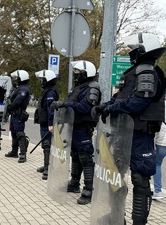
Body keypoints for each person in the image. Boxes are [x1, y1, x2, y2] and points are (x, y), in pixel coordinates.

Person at [92, 33, 166, 225]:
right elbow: (120, 98)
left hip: (140, 135)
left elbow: (138, 102)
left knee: (140, 180)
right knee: (113, 176)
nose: (130, 52)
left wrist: (112, 107)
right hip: (123, 134)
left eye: (133, 49)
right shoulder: (134, 73)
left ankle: (138, 222)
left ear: (143, 50)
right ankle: (116, 216)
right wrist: (104, 105)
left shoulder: (148, 73)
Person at [51, 60, 101, 205]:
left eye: (78, 72)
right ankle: (74, 183)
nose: (76, 74)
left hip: (83, 127)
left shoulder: (93, 88)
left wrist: (65, 104)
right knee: (75, 156)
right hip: (73, 126)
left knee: (85, 157)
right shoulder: (78, 87)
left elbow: (85, 107)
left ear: (87, 73)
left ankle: (89, 190)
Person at [34, 69, 59, 180]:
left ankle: (48, 170)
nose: (41, 81)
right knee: (45, 145)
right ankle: (46, 165)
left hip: (47, 124)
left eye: (42, 79)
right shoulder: (47, 91)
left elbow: (51, 109)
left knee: (48, 145)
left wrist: (50, 123)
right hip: (44, 123)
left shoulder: (50, 92)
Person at [4, 70, 31, 163]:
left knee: (19, 133)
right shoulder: (19, 87)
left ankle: (23, 154)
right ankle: (14, 151)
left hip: (19, 114)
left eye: (17, 78)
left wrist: (10, 107)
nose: (16, 79)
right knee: (14, 133)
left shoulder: (23, 89)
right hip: (14, 113)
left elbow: (19, 100)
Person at [153, 120, 166, 200]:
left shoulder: (161, 122)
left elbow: (155, 133)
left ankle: (158, 191)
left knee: (157, 165)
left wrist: (153, 143)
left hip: (160, 145)